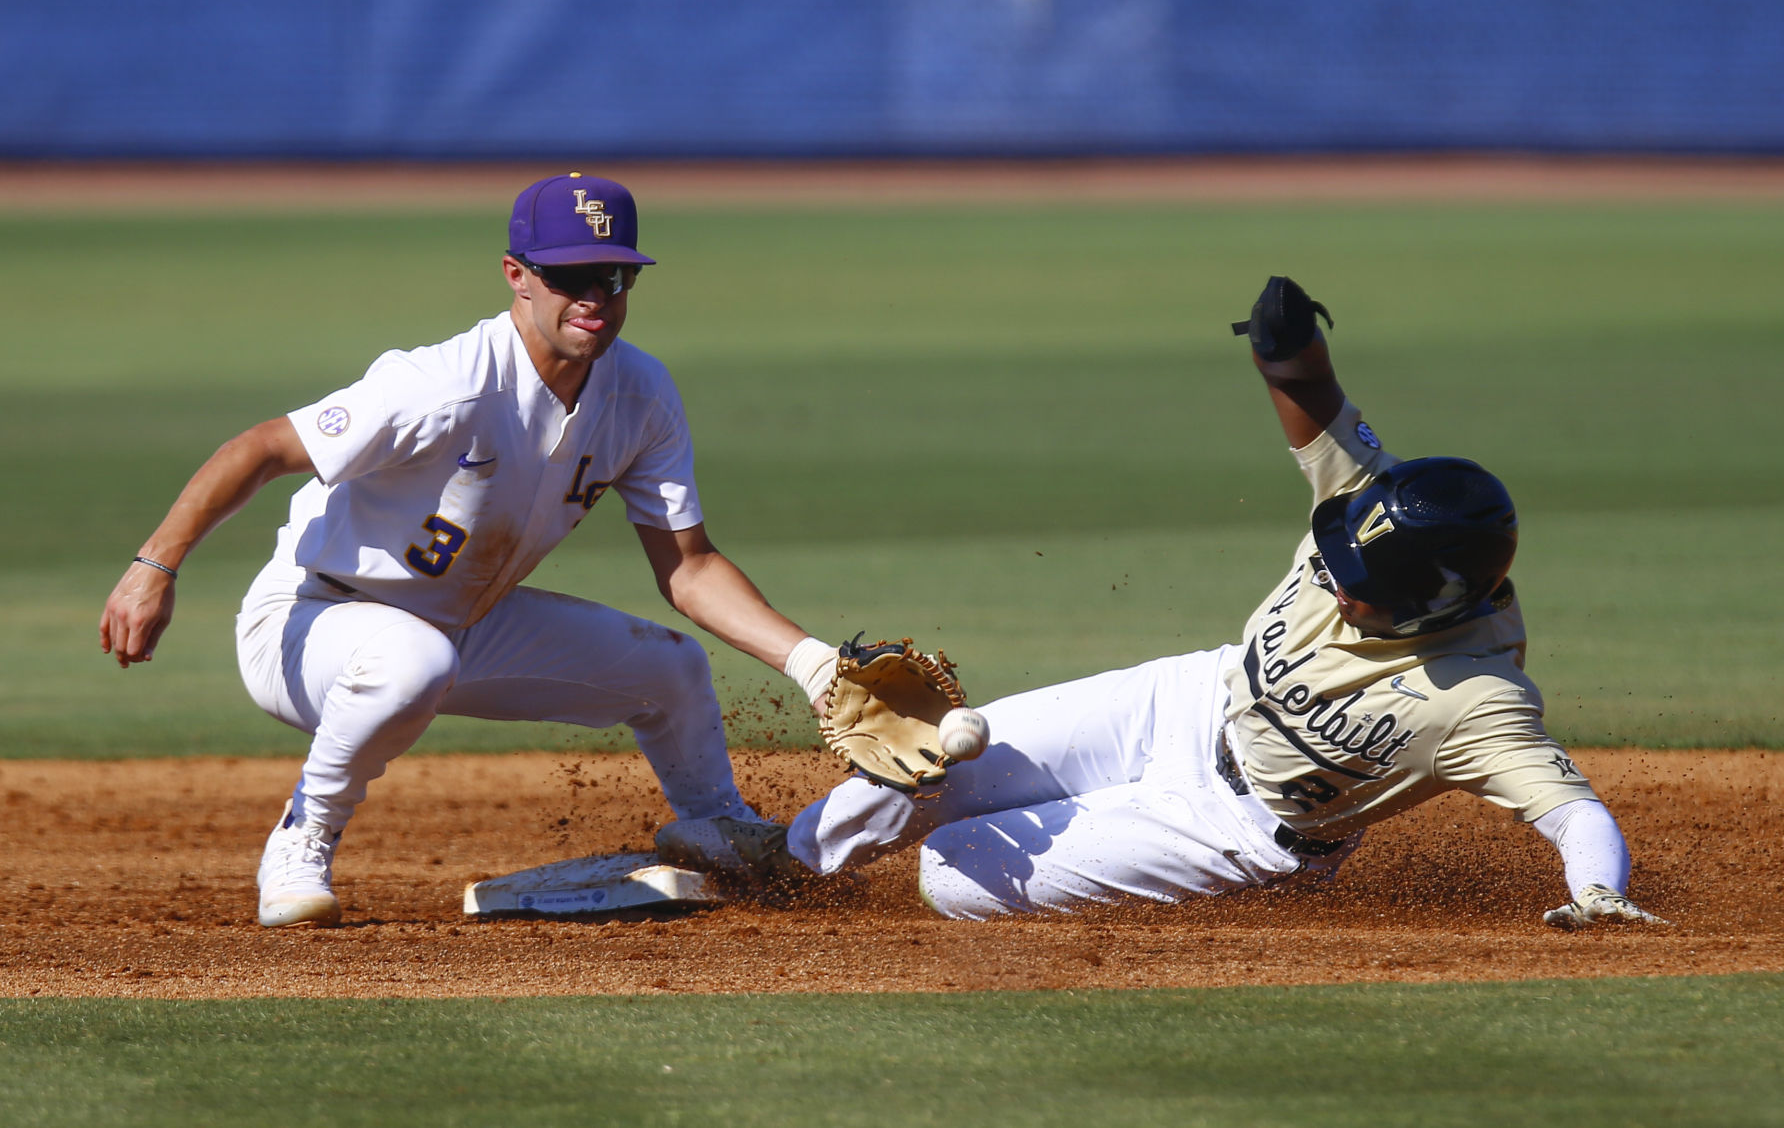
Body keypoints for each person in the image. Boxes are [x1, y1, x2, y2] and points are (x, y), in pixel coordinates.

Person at [775, 276, 1665, 930]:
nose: (1343, 588)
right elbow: (1312, 396)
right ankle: (772, 866)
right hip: (1188, 700)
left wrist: (1600, 893)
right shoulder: (1375, 507)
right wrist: (1283, 340)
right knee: (927, 764)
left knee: (948, 873)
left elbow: (1575, 813)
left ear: (1442, 603)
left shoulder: (1478, 698)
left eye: (1365, 591)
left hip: (1239, 829)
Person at [99, 173, 842, 928]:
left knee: (670, 669)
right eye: (570, 275)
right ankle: (302, 837)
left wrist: (816, 665)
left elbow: (689, 567)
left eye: (612, 276)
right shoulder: (440, 387)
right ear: (518, 277)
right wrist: (154, 566)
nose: (593, 295)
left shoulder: (641, 396)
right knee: (411, 661)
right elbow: (259, 448)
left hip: (464, 621)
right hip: (313, 617)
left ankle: (716, 824)